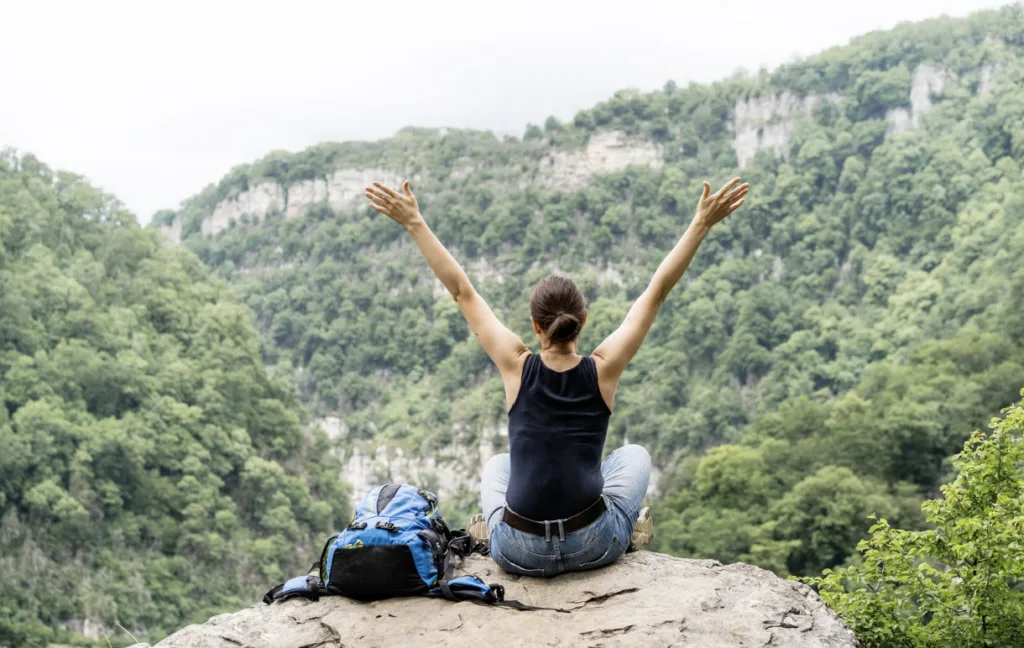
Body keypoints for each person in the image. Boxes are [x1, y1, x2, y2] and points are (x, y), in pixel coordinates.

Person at [364, 177, 748, 577]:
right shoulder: (603, 368)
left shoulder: (516, 364)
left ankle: (491, 533)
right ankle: (624, 532)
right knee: (634, 456)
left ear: (535, 326)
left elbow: (462, 291)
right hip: (594, 545)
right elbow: (655, 292)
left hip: (517, 552)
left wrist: (415, 223)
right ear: (583, 321)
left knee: (498, 465)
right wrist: (701, 223)